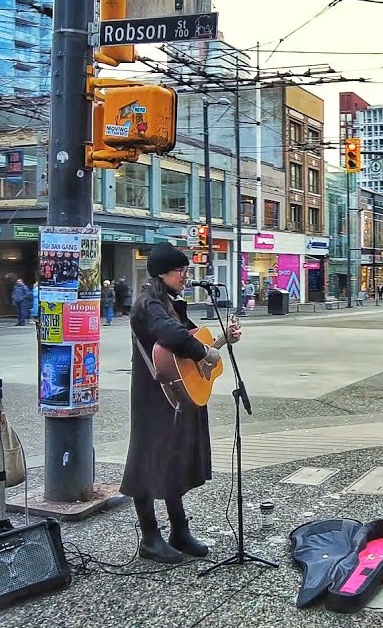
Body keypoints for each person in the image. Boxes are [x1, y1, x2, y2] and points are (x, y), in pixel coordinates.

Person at [123, 241, 241, 564]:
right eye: (182, 271)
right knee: (145, 462)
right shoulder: (148, 304)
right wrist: (204, 351)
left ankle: (178, 530)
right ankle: (149, 537)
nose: (186, 276)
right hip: (152, 396)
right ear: (164, 273)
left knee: (173, 459)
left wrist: (220, 341)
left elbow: (189, 344)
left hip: (172, 394)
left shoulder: (169, 302)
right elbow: (172, 337)